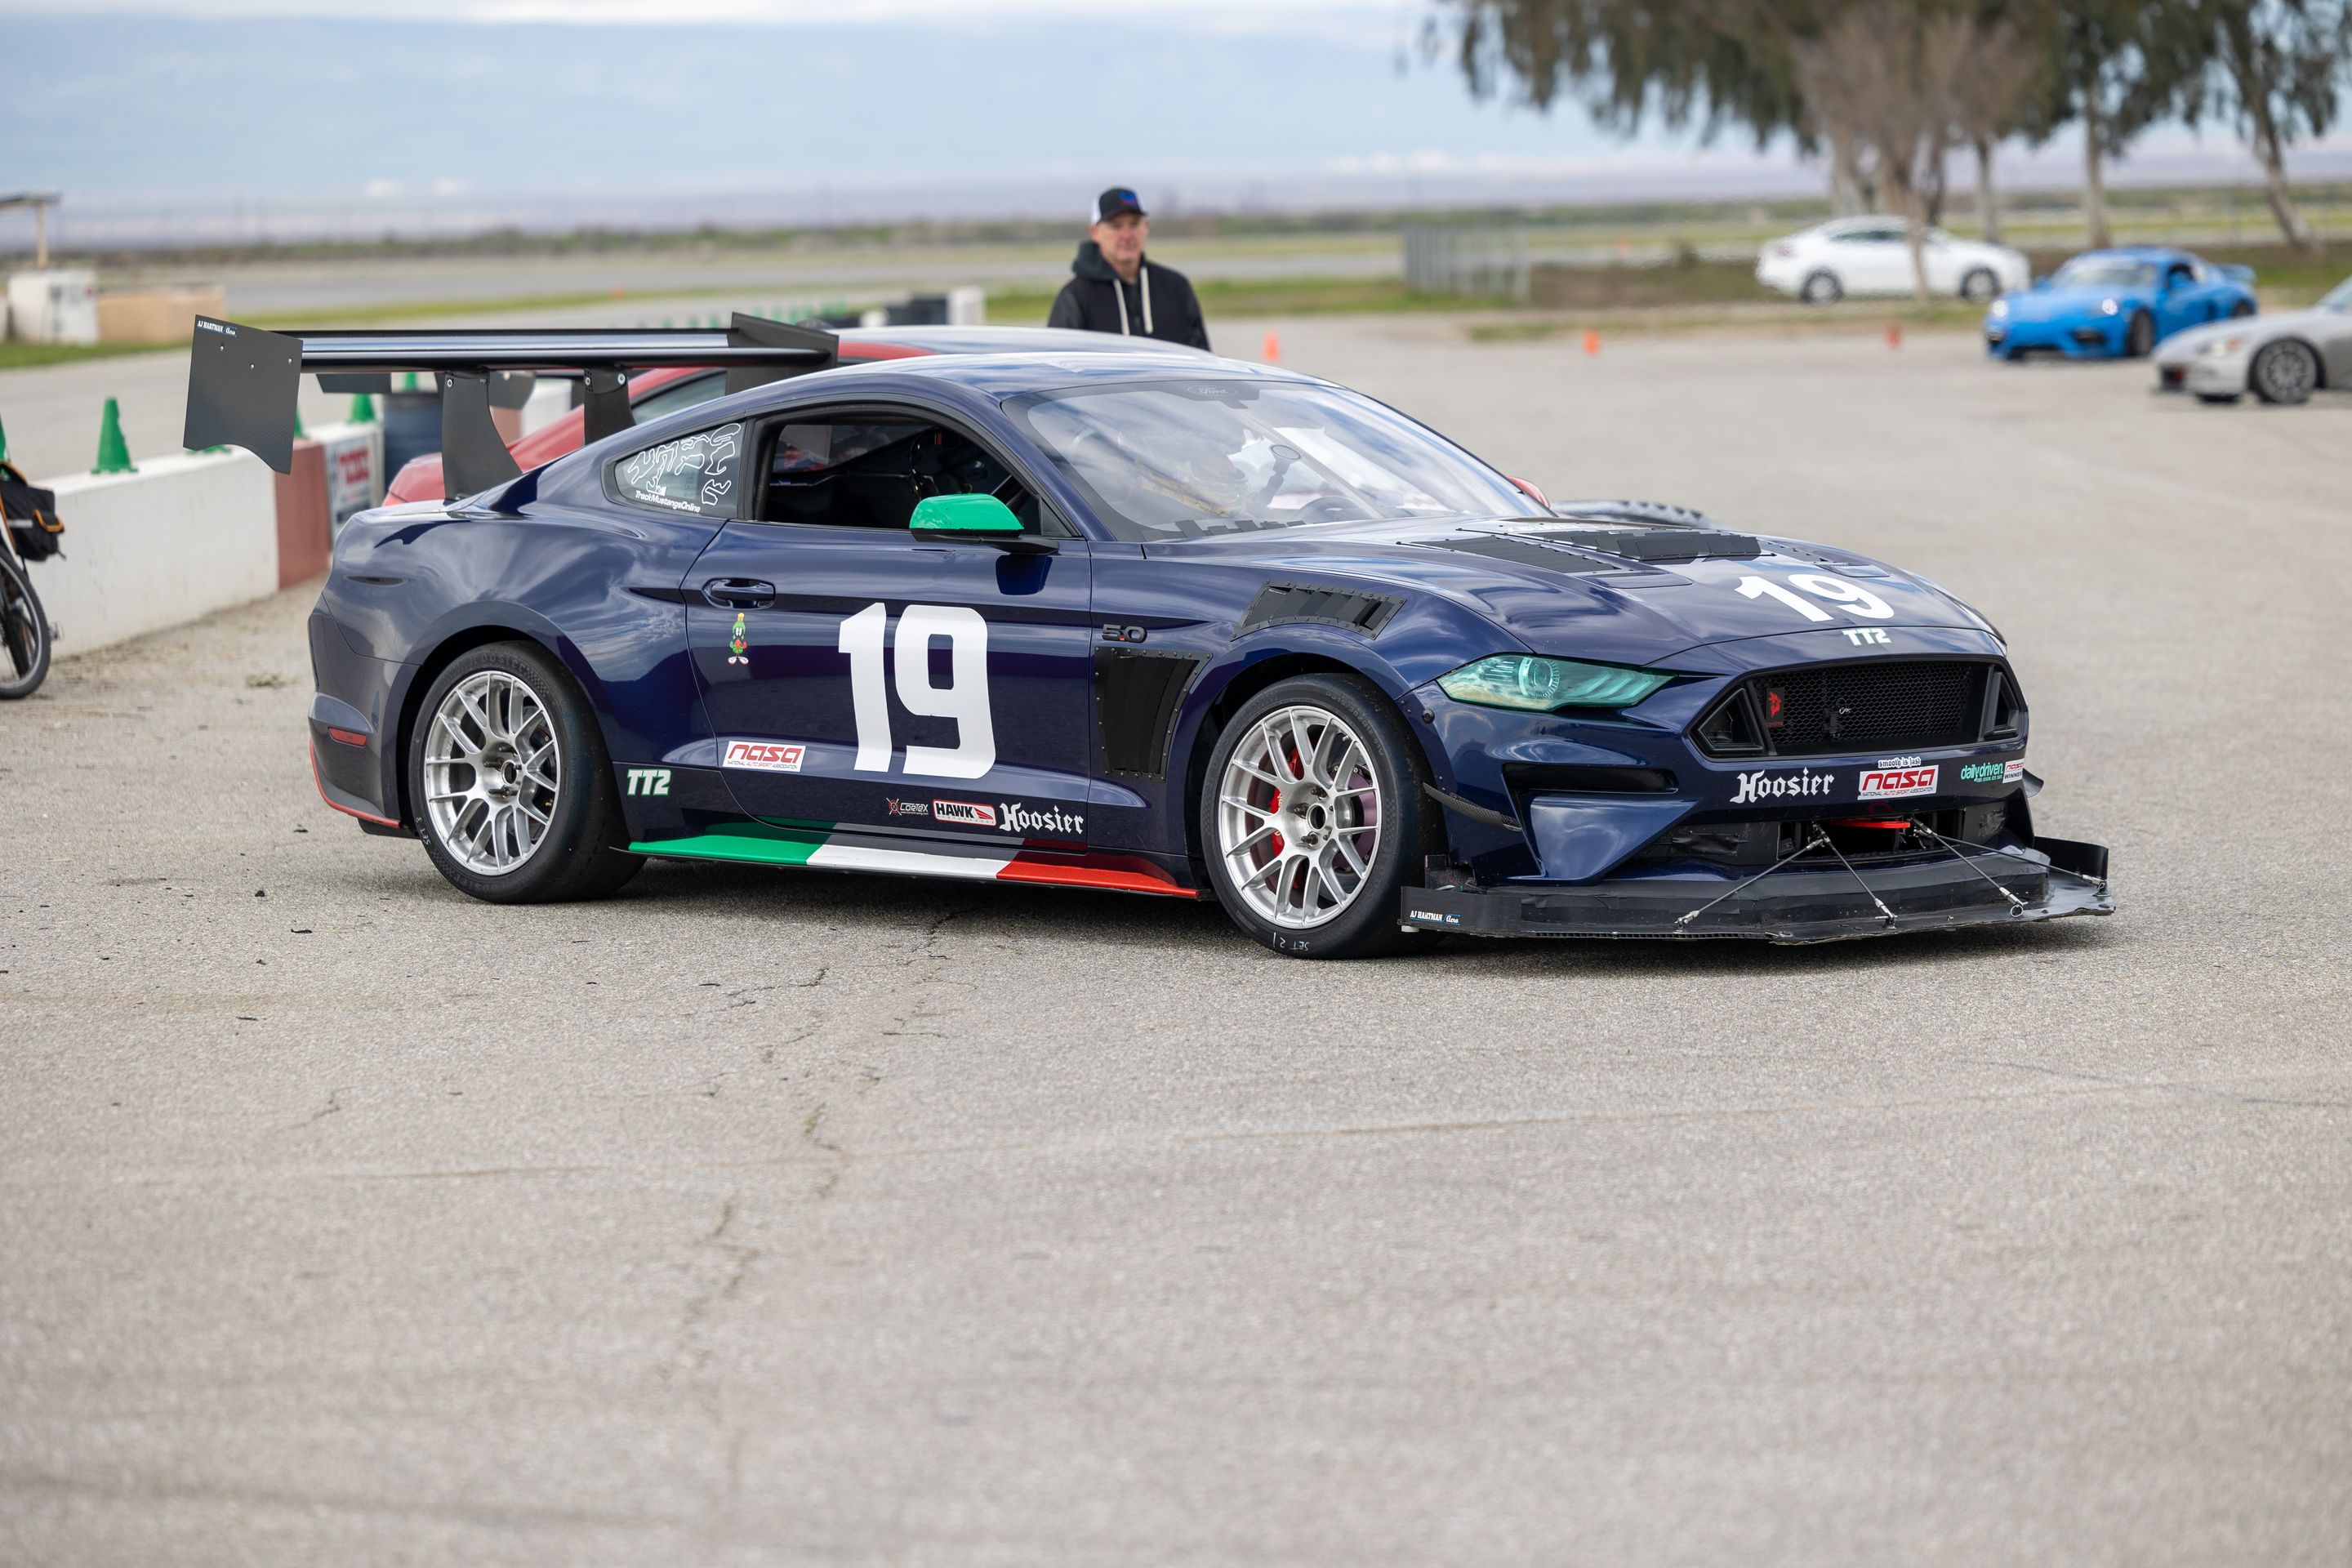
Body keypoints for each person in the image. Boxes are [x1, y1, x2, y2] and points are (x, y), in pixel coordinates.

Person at [1046, 188, 1210, 350]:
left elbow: (1203, 359)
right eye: (1116, 226)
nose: (1127, 235)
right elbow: (1060, 367)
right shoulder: (1076, 296)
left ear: (1146, 226)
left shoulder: (1177, 287)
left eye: (1134, 224)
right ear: (1095, 232)